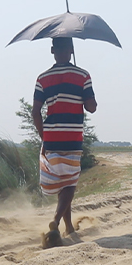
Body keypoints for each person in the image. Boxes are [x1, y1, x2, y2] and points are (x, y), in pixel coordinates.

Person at [33, 37, 97, 248]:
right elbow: (91, 107)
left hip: (51, 136)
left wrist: (44, 135)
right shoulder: (82, 75)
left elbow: (35, 111)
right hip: (72, 136)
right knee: (70, 182)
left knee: (62, 181)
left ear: (53, 51)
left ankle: (69, 227)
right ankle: (57, 221)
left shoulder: (43, 78)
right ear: (71, 50)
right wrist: (85, 93)